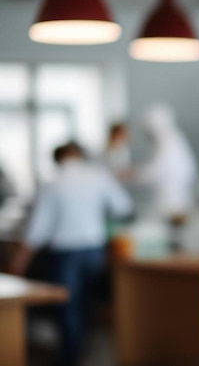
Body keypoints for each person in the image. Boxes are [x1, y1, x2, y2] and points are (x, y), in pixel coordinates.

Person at [8, 140, 133, 366]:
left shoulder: (53, 182)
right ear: (79, 155)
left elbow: (39, 226)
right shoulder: (98, 176)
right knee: (88, 304)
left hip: (65, 253)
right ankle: (87, 353)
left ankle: (71, 358)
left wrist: (22, 257)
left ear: (57, 159)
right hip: (95, 249)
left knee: (68, 307)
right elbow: (123, 207)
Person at [133, 103, 198, 227]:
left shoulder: (167, 142)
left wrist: (131, 174)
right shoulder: (173, 139)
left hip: (171, 204)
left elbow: (155, 172)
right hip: (175, 202)